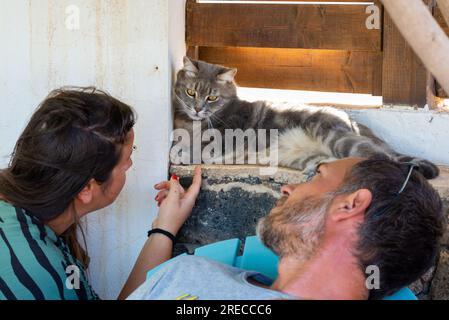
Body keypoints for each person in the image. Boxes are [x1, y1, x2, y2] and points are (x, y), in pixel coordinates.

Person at [128, 157, 445, 300]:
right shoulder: (185, 272)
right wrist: (162, 230)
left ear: (350, 205)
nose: (286, 188)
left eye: (315, 176)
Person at [0, 88, 202, 300]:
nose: (130, 164)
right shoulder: (41, 275)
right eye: (127, 159)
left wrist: (164, 229)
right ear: (87, 189)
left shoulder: (23, 218)